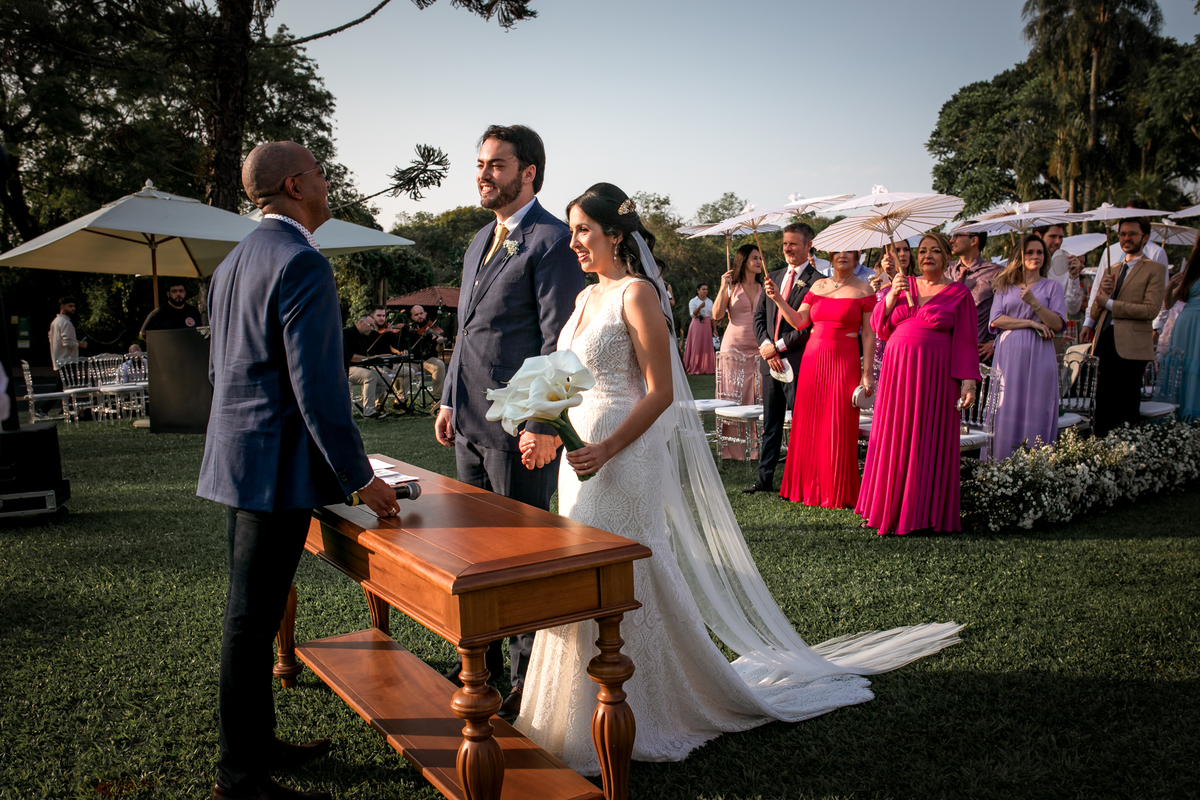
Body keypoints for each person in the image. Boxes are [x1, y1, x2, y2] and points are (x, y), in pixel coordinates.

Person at [513, 183, 962, 775]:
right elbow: (567, 376)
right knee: (581, 572)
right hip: (581, 459)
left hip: (623, 455)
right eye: (573, 231)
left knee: (625, 572)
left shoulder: (637, 294)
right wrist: (541, 424)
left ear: (614, 235)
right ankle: (573, 711)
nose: (573, 242)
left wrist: (607, 448)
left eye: (582, 231)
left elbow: (662, 392)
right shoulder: (583, 297)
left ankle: (645, 706)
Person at [198, 140, 396, 800]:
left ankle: (256, 745)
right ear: (293, 185)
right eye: (319, 173)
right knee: (249, 625)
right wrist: (360, 478)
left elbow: (220, 369)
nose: (328, 182)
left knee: (250, 620)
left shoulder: (234, 261)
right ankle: (239, 780)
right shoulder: (303, 263)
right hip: (275, 469)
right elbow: (319, 389)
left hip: (240, 460)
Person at [433, 124, 584, 720]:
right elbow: (466, 329)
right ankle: (484, 661)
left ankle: (528, 680)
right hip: (468, 422)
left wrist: (543, 422)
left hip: (520, 428)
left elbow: (559, 340)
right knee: (474, 552)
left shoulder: (551, 241)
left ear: (529, 172)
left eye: (496, 165)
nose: (482, 174)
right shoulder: (479, 240)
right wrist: (448, 399)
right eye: (480, 164)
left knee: (521, 555)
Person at [856, 232, 981, 535]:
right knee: (893, 436)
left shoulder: (959, 293)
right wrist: (890, 298)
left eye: (935, 251)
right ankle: (884, 509)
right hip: (897, 373)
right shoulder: (902, 286)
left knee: (927, 437)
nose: (927, 256)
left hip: (936, 376)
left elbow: (966, 340)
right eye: (923, 250)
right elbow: (878, 327)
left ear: (946, 257)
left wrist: (968, 382)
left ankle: (922, 513)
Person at [767, 250, 876, 508]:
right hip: (813, 359)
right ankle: (805, 486)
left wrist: (867, 372)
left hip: (844, 360)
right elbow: (799, 321)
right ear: (831, 256)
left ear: (857, 257)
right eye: (838, 252)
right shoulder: (817, 286)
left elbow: (869, 335)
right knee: (809, 421)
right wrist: (779, 299)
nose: (843, 256)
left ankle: (835, 489)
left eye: (849, 252)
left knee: (837, 423)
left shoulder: (864, 290)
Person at [744, 222, 821, 494]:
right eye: (785, 243)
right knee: (771, 423)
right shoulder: (772, 276)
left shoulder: (817, 281)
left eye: (793, 243)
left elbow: (807, 326)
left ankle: (800, 480)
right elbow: (759, 317)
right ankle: (764, 480)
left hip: (797, 362)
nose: (787, 248)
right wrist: (766, 346)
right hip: (770, 362)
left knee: (801, 423)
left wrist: (777, 346)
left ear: (808, 246)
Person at [986, 233, 1067, 461]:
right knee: (1006, 405)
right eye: (1029, 252)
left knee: (1037, 406)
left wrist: (1035, 303)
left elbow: (1057, 324)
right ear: (1019, 257)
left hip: (1040, 354)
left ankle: (1034, 466)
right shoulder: (1004, 286)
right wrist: (1031, 323)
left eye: (1040, 252)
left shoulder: (1052, 287)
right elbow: (996, 320)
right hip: (1008, 355)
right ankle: (1001, 462)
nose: (1035, 256)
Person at [1086, 218, 1167, 436]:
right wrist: (1103, 294)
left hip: (1132, 346)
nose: (1126, 238)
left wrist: (1110, 303)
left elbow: (1150, 310)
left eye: (1132, 233)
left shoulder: (1155, 269)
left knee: (1126, 406)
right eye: (1122, 234)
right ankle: (1100, 449)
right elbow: (1095, 313)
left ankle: (1127, 451)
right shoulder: (1111, 269)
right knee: (1102, 404)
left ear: (1145, 237)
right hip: (1105, 341)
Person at [712, 244, 762, 459]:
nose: (759, 262)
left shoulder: (764, 287)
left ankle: (757, 445)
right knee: (733, 394)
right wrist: (723, 286)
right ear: (744, 261)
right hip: (734, 346)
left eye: (760, 258)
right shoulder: (732, 287)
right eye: (755, 258)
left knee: (759, 394)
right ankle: (732, 447)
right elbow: (716, 315)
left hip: (759, 346)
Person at [947, 229, 1002, 362]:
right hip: (947, 352)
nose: (952, 240)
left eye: (957, 236)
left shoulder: (996, 272)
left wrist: (996, 341)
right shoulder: (945, 270)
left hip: (978, 355)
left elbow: (1010, 309)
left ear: (974, 240)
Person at [1166, 238, 1200, 420]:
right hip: (1188, 322)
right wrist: (1169, 287)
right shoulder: (1193, 265)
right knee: (1185, 369)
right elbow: (1169, 302)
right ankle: (1180, 421)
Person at [396, 304, 446, 403]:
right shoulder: (409, 330)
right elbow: (401, 347)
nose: (420, 316)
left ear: (425, 314)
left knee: (440, 365)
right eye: (416, 315)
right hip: (413, 361)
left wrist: (440, 343)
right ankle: (401, 398)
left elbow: (439, 350)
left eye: (421, 313)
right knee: (401, 369)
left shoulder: (434, 328)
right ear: (412, 317)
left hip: (428, 360)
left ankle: (436, 398)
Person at [344, 315, 389, 418]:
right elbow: (351, 357)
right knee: (370, 376)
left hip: (361, 367)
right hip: (347, 368)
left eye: (373, 326)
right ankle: (369, 412)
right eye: (370, 325)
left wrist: (379, 356)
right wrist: (370, 358)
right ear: (361, 322)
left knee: (385, 379)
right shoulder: (347, 333)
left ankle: (361, 405)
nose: (372, 328)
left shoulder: (365, 336)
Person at [1038, 224, 1087, 318]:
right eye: (1052, 236)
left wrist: (1074, 277)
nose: (1058, 242)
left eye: (1060, 237)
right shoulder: (1024, 267)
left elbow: (1072, 309)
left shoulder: (1064, 266)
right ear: (1038, 236)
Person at [683, 283, 715, 374]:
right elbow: (693, 314)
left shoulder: (710, 301)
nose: (705, 291)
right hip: (697, 323)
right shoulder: (693, 301)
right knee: (696, 345)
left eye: (706, 289)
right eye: (703, 289)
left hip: (707, 324)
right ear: (698, 290)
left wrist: (715, 329)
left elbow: (712, 316)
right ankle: (694, 367)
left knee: (706, 345)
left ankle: (706, 367)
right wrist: (700, 307)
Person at [49, 296, 87, 366]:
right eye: (70, 306)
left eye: (73, 306)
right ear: (62, 307)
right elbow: (67, 343)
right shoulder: (66, 323)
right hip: (67, 362)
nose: (73, 308)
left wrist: (75, 342)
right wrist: (80, 344)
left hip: (58, 361)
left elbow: (52, 339)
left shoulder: (55, 322)